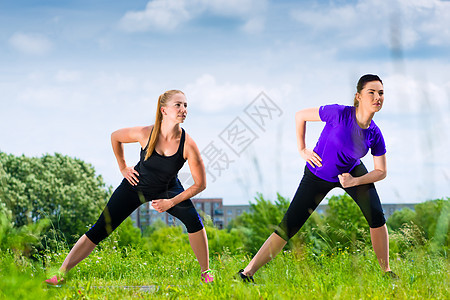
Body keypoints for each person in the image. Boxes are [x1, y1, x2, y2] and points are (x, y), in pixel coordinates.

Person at [238, 74, 398, 282]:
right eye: (372, 92)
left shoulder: (375, 134)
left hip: (350, 172)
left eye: (381, 93)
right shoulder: (339, 113)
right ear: (358, 96)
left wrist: (354, 181)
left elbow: (381, 171)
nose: (377, 97)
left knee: (377, 216)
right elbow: (300, 115)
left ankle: (386, 272)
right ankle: (246, 273)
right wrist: (302, 149)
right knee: (289, 225)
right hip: (317, 173)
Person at [45, 90, 213, 285]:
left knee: (194, 221)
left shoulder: (188, 144)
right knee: (101, 227)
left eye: (185, 105)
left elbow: (201, 184)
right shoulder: (145, 133)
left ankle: (206, 274)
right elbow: (115, 136)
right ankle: (61, 274)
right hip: (135, 186)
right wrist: (123, 167)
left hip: (168, 189)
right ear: (164, 110)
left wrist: (171, 202)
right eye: (178, 105)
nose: (183, 109)